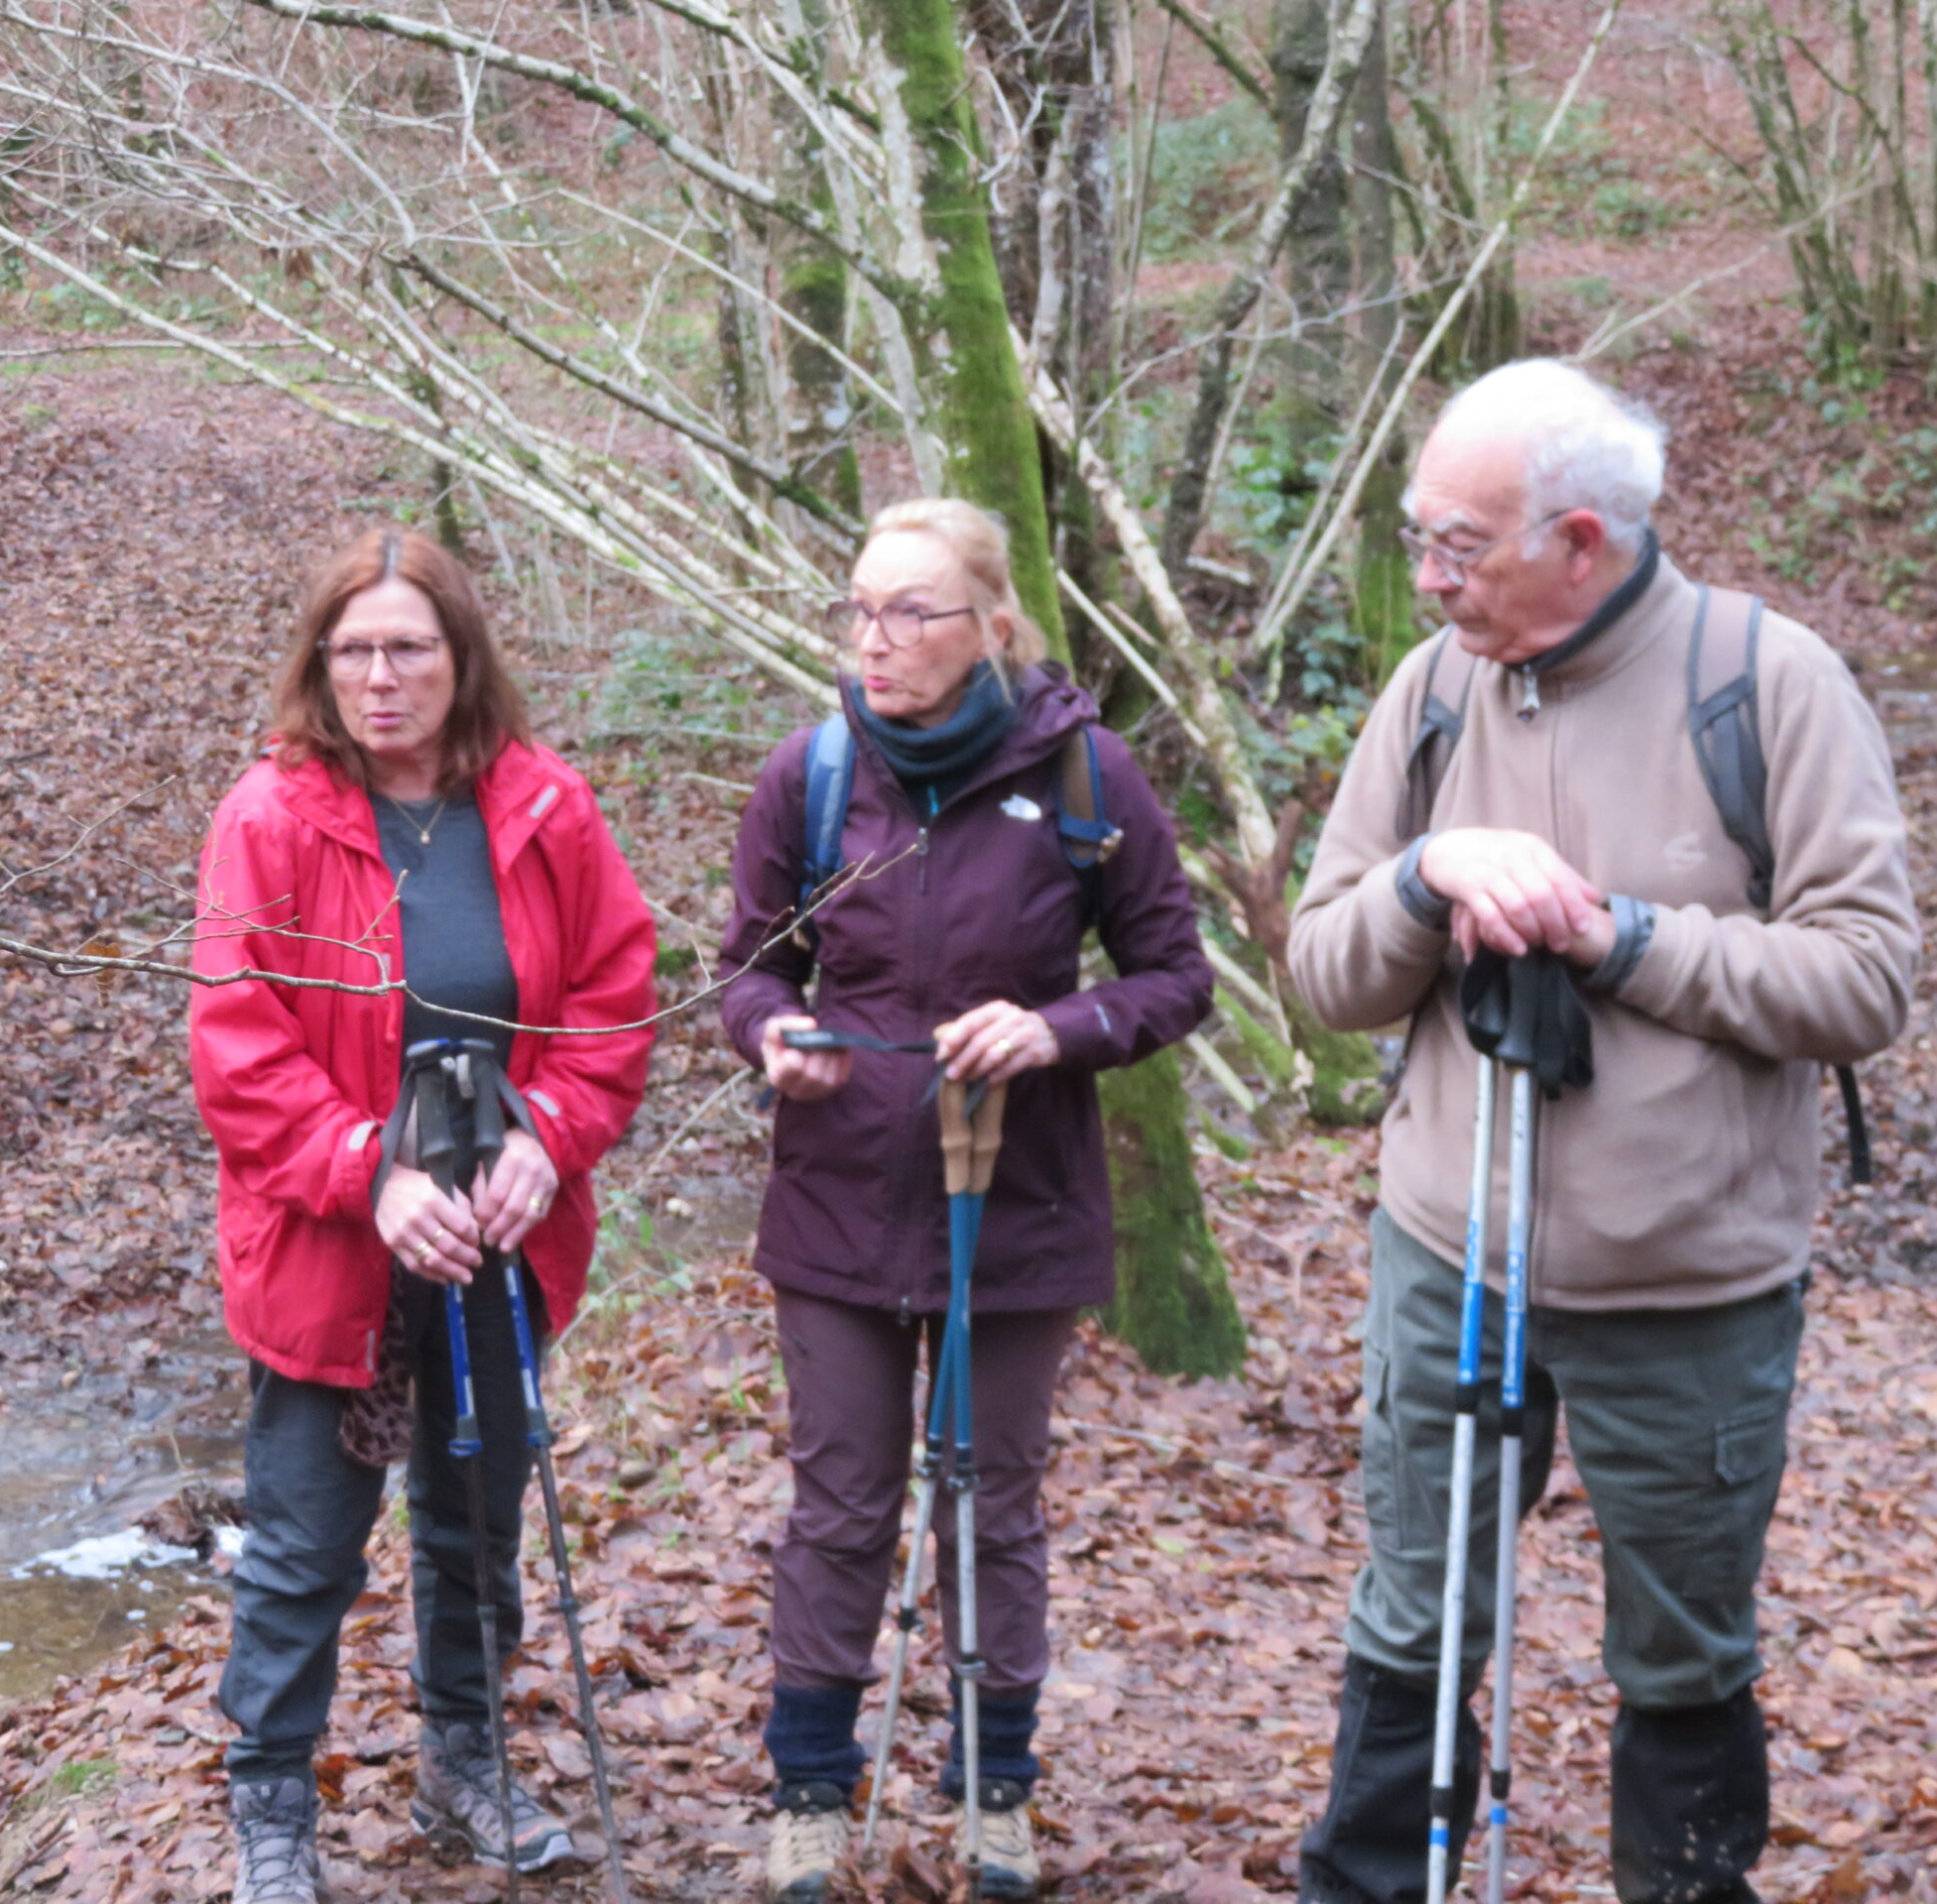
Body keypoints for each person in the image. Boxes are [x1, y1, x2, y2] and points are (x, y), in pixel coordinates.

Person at [1285, 360, 1919, 1904]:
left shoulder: (1769, 684)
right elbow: (1324, 975)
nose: (1428, 577)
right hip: (1450, 1259)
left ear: (1581, 542)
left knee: (1686, 1653)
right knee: (1413, 1619)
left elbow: (1864, 980)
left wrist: (1617, 938)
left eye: (1459, 545)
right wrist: (1426, 880)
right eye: (1418, 537)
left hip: (1689, 1286)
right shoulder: (1433, 691)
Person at [715, 499, 1213, 1902]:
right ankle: (810, 1793)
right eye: (859, 610)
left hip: (1020, 1199)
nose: (872, 640)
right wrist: (771, 1036)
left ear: (993, 626)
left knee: (993, 1506)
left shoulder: (1085, 773)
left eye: (909, 612)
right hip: (839, 1203)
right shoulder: (812, 775)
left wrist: (1055, 1029)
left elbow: (1174, 976)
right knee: (841, 1503)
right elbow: (749, 967)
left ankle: (996, 1790)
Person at [191, 528, 657, 1903]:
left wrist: (548, 1138)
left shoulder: (544, 806)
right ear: (319, 664)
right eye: (354, 652)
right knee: (302, 1540)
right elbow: (237, 1045)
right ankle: (272, 1803)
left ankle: (462, 1759)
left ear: (461, 658)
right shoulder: (271, 817)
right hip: (328, 1244)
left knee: (474, 1516)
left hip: (499, 1241)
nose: (380, 679)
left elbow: (612, 1001)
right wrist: (368, 1172)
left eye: (408, 649)